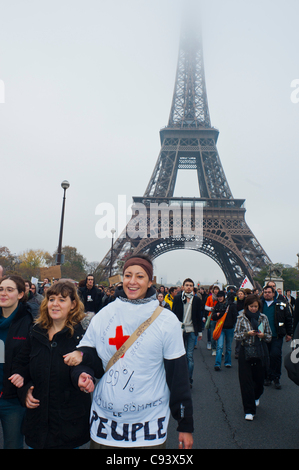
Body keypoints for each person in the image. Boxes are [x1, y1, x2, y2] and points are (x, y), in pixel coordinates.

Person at [65, 254, 194, 449]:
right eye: (128, 275)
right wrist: (82, 372)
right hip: (105, 424)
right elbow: (88, 355)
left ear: (150, 281)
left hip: (148, 427)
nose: (132, 282)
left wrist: (185, 424)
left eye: (140, 276)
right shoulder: (105, 315)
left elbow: (178, 376)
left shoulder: (167, 321)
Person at [10, 281, 103, 449]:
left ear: (73, 304)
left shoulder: (84, 334)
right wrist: (24, 390)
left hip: (68, 427)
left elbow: (95, 365)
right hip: (37, 426)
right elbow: (21, 364)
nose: (55, 304)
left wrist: (82, 370)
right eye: (51, 299)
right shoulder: (35, 331)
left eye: (62, 300)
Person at [0, 275, 34, 449]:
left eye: (9, 289)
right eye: (1, 289)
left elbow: (35, 359)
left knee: (12, 445)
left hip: (12, 399)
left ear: (21, 294)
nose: (3, 293)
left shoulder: (30, 322)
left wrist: (23, 374)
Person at [234, 295, 272, 421]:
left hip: (260, 351)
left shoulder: (263, 318)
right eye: (251, 306)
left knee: (259, 381)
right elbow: (236, 336)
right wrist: (247, 334)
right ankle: (249, 410)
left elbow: (269, 337)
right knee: (246, 382)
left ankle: (256, 396)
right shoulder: (241, 318)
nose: (254, 309)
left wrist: (262, 335)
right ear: (247, 307)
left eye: (256, 306)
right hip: (246, 350)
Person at [172, 278, 202, 388]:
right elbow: (174, 314)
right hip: (180, 330)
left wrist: (200, 332)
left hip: (192, 330)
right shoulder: (177, 298)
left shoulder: (197, 300)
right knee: (180, 355)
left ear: (193, 287)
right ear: (183, 286)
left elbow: (198, 316)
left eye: (191, 285)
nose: (189, 287)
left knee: (189, 356)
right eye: (187, 285)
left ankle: (189, 379)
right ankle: (181, 378)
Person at [261, 285, 293, 389]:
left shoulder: (281, 304)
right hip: (263, 335)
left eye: (269, 292)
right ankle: (267, 376)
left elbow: (288, 319)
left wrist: (289, 333)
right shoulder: (259, 304)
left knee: (275, 355)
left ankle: (276, 377)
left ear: (274, 294)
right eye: (265, 292)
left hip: (277, 335)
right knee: (265, 357)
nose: (267, 294)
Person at [212, 291, 237, 371]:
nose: (219, 298)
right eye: (218, 296)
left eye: (221, 296)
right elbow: (213, 316)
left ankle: (227, 362)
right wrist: (216, 315)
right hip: (221, 328)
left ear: (224, 297)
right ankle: (218, 364)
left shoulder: (231, 305)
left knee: (228, 347)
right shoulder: (217, 305)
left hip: (229, 327)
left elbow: (235, 316)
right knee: (220, 346)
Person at [204, 285, 220, 354]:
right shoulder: (210, 298)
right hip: (212, 317)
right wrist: (212, 308)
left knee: (219, 334)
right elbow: (206, 307)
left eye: (217, 289)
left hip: (219, 317)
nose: (216, 290)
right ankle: (213, 348)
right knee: (212, 333)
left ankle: (218, 348)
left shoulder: (221, 298)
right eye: (215, 289)